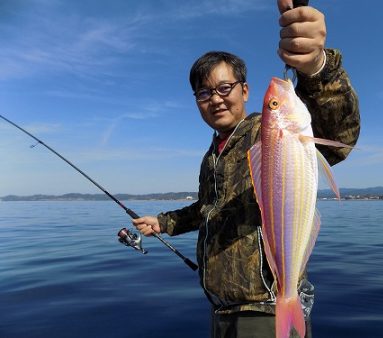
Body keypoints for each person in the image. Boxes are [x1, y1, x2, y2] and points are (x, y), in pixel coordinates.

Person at [132, 4, 360, 338]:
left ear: (245, 91)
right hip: (222, 311)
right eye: (204, 93)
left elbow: (339, 134)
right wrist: (164, 223)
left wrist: (317, 68)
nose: (216, 100)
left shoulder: (262, 133)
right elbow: (210, 209)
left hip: (264, 311)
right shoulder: (212, 154)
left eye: (225, 88)